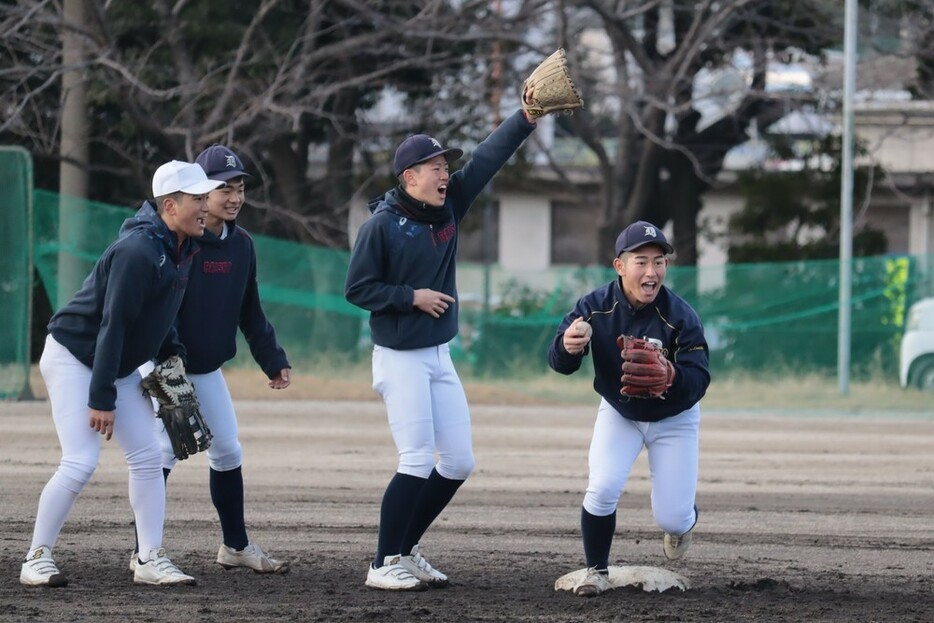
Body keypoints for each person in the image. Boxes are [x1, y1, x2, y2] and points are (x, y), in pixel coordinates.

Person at [344, 104, 540, 590]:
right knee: (414, 459)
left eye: (446, 167)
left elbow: (486, 160)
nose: (445, 174)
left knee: (457, 462)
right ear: (410, 176)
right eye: (436, 168)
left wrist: (526, 117)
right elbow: (358, 289)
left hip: (438, 355)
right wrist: (411, 297)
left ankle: (405, 550)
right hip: (399, 358)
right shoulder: (382, 226)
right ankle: (381, 563)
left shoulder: (449, 206)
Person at [20, 161, 223, 587]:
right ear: (170, 205)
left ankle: (149, 558)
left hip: (116, 361)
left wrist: (174, 365)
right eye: (198, 199)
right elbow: (114, 324)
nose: (207, 205)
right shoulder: (139, 251)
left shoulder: (180, 248)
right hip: (76, 356)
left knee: (148, 456)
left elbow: (161, 317)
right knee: (80, 460)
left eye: (207, 197)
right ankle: (36, 557)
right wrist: (101, 399)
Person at [130, 144, 292, 574]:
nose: (234, 197)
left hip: (207, 367)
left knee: (227, 451)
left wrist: (272, 358)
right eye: (224, 188)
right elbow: (160, 308)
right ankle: (144, 552)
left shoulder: (241, 245)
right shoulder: (183, 240)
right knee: (166, 450)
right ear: (200, 193)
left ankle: (235, 547)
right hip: (168, 363)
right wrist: (170, 366)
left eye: (239, 188)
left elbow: (250, 310)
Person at [547, 220, 710, 597]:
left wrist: (671, 376)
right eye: (641, 261)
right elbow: (559, 361)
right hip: (620, 413)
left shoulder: (680, 316)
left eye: (659, 261)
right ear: (620, 266)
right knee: (602, 488)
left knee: (672, 515)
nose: (652, 271)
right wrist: (567, 347)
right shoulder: (594, 308)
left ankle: (686, 519)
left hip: (675, 419)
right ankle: (595, 572)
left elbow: (700, 379)